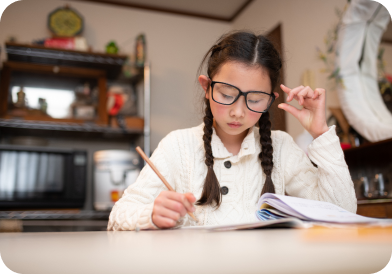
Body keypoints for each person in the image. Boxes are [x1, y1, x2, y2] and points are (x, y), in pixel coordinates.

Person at [107, 31, 357, 231]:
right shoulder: (178, 146)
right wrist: (150, 214)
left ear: (272, 98)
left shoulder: (281, 147)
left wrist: (321, 133)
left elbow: (342, 212)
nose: (238, 111)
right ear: (206, 87)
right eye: (227, 95)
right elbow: (118, 217)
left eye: (256, 99)